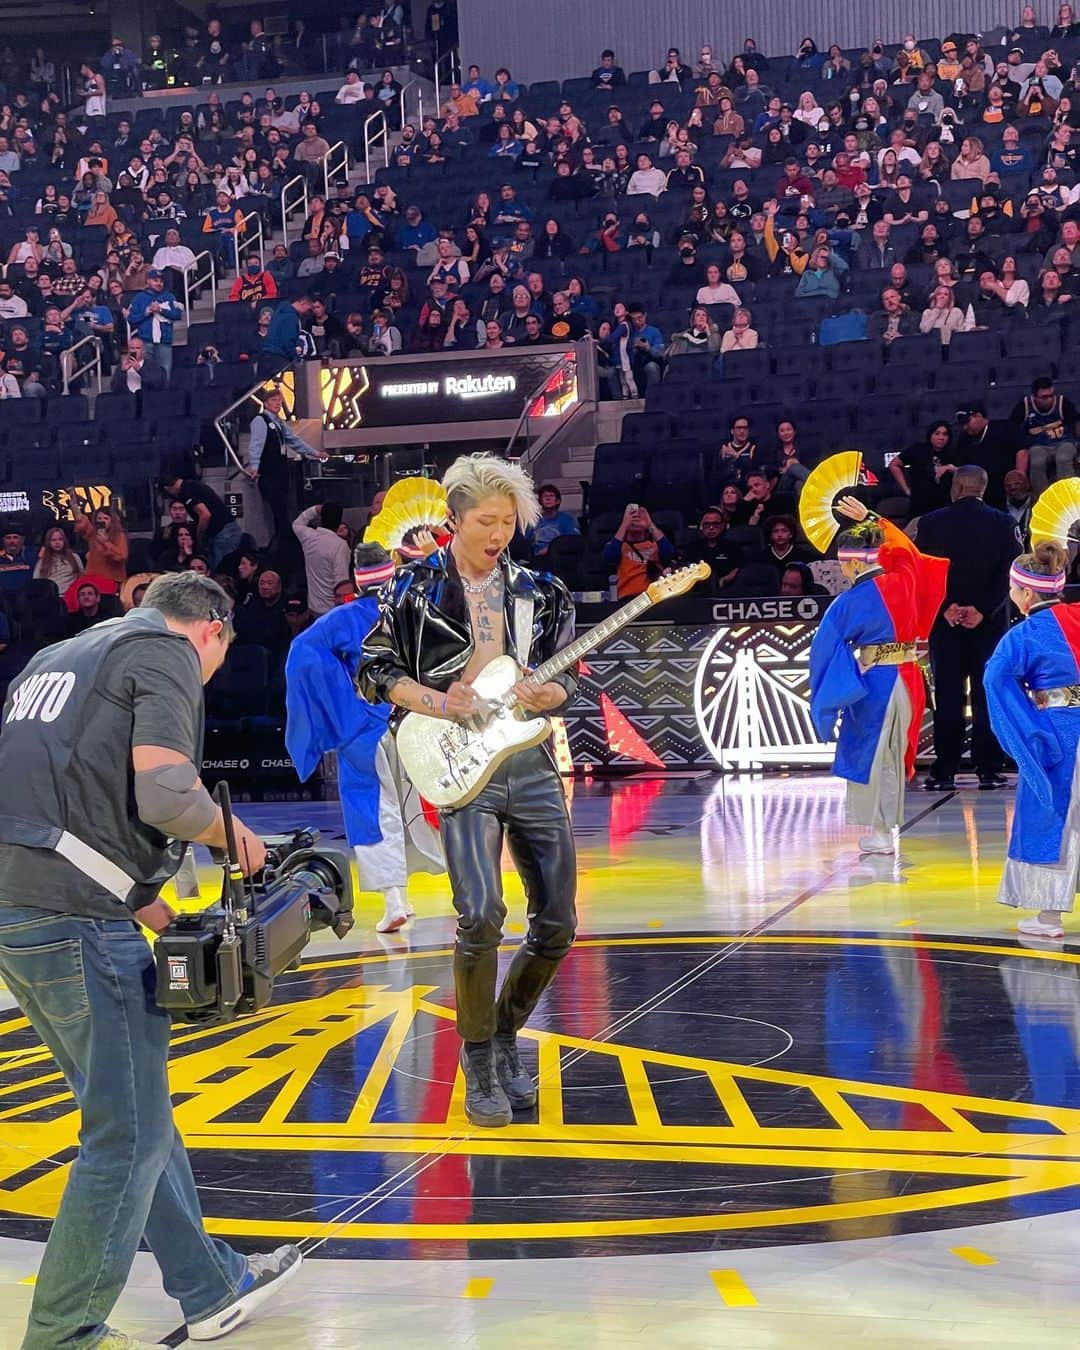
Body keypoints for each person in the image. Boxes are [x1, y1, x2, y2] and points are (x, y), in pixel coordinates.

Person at [0, 572, 300, 1348]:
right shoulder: (163, 654)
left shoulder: (57, 657)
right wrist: (244, 843)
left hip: (22, 906)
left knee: (135, 1115)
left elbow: (62, 805)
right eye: (217, 660)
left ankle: (210, 1283)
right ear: (211, 631)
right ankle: (65, 1333)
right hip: (72, 921)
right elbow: (166, 796)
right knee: (126, 1136)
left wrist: (155, 910)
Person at [358, 454, 578, 1129]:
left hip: (529, 758)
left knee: (558, 925)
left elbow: (572, 681)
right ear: (453, 521)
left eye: (508, 521)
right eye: (486, 521)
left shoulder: (541, 591)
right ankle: (478, 1060)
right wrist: (434, 700)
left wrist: (554, 692)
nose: (498, 534)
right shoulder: (412, 588)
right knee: (480, 915)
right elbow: (373, 672)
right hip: (458, 762)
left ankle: (505, 1032)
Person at [286, 543, 444, 934]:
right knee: (432, 804)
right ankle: (464, 888)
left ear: (356, 578)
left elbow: (303, 653)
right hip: (419, 719)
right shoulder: (417, 608)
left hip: (364, 727)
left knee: (373, 812)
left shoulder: (343, 619)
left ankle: (395, 901)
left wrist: (341, 710)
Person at [810, 496, 949, 854]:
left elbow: (825, 651)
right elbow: (906, 550)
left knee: (870, 755)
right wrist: (873, 518)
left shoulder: (850, 602)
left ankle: (879, 830)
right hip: (909, 678)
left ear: (853, 564)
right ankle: (887, 828)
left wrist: (834, 694)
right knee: (893, 754)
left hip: (874, 685)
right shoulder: (904, 578)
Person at [986, 538, 1080, 941]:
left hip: (1060, 731)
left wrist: (1029, 733)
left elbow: (995, 680)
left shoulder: (1022, 637)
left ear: (1025, 592)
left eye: (1012, 588)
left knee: (1053, 815)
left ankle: (1048, 918)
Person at [915, 465, 1023, 790]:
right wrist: (982, 609)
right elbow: (1011, 573)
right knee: (986, 693)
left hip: (945, 624)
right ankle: (988, 768)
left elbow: (922, 571)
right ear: (983, 487)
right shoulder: (1005, 524)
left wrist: (947, 607)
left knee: (947, 695)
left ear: (957, 487)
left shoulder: (930, 523)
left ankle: (944, 770)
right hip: (988, 626)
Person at [246, 387, 328, 549]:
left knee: (284, 510)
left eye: (279, 401)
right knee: (279, 513)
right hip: (270, 473)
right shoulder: (260, 421)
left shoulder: (279, 423)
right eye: (273, 401)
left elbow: (295, 441)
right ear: (265, 403)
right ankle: (283, 544)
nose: (277, 404)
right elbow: (256, 444)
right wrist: (254, 466)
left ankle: (285, 542)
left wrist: (315, 453)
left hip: (281, 472)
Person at [1011, 376, 1080, 495]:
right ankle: (1042, 498)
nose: (1049, 399)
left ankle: (1070, 496)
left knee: (1063, 459)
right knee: (1037, 462)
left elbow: (1077, 422)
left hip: (1065, 442)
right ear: (1034, 397)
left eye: (1051, 395)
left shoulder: (1063, 403)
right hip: (1038, 445)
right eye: (1044, 397)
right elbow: (1012, 426)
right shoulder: (1025, 406)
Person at [163, 473, 243, 570]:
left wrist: (199, 537)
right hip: (220, 531)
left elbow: (205, 515)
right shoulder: (192, 485)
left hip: (223, 532)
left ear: (168, 489)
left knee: (219, 570)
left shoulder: (186, 492)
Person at [602, 503, 676, 598]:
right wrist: (624, 524)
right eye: (632, 517)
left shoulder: (656, 542)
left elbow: (670, 554)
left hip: (655, 596)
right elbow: (609, 557)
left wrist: (650, 524)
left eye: (639, 517)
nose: (635, 519)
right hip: (627, 598)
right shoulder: (619, 544)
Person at [292, 501, 351, 615]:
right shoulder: (340, 545)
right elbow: (341, 580)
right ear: (339, 522)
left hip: (313, 608)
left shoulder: (309, 537)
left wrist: (315, 509)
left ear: (321, 519)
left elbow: (297, 524)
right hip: (333, 610)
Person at [125, 270, 183, 376]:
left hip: (164, 342)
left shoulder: (169, 297)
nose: (159, 283)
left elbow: (178, 315)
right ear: (148, 281)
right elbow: (131, 319)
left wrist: (161, 310)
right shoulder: (139, 298)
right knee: (144, 374)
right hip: (145, 343)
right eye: (155, 280)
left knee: (165, 373)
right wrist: (145, 313)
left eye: (161, 281)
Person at [524, 484, 579, 558]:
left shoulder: (566, 519)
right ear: (540, 501)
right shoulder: (534, 519)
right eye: (545, 496)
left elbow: (572, 541)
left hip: (560, 558)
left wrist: (549, 549)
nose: (548, 499)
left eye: (551, 496)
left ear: (557, 501)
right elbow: (526, 542)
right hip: (537, 559)